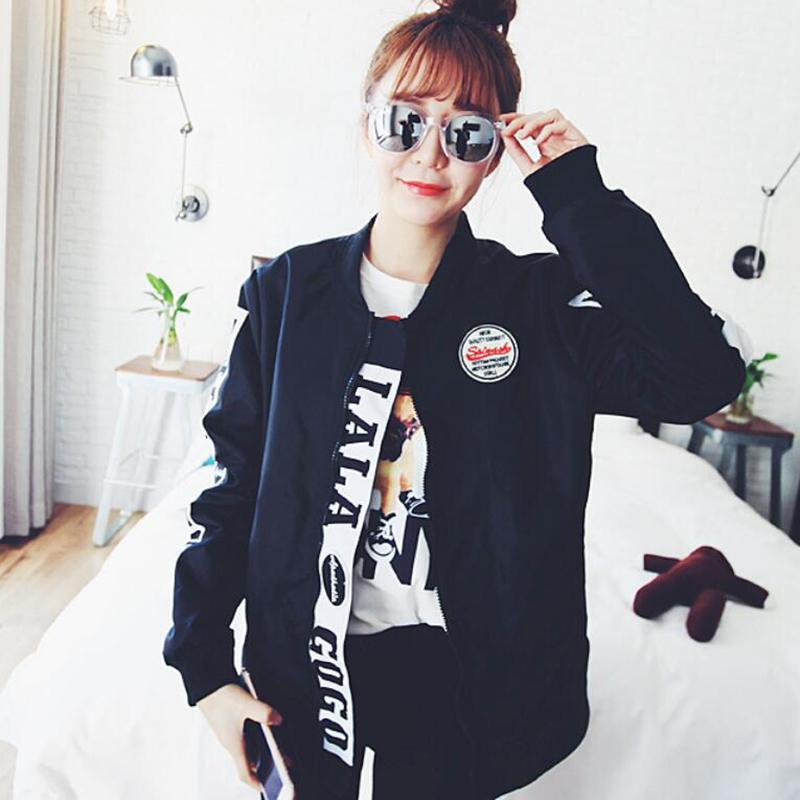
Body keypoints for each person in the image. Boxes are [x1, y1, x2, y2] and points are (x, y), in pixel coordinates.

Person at [162, 0, 753, 798]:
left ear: (496, 153)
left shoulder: (538, 305)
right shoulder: (287, 294)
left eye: (467, 132)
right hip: (304, 671)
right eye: (404, 120)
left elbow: (703, 376)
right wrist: (204, 669)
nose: (430, 154)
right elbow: (229, 486)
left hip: (479, 690)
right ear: (366, 125)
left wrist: (576, 192)